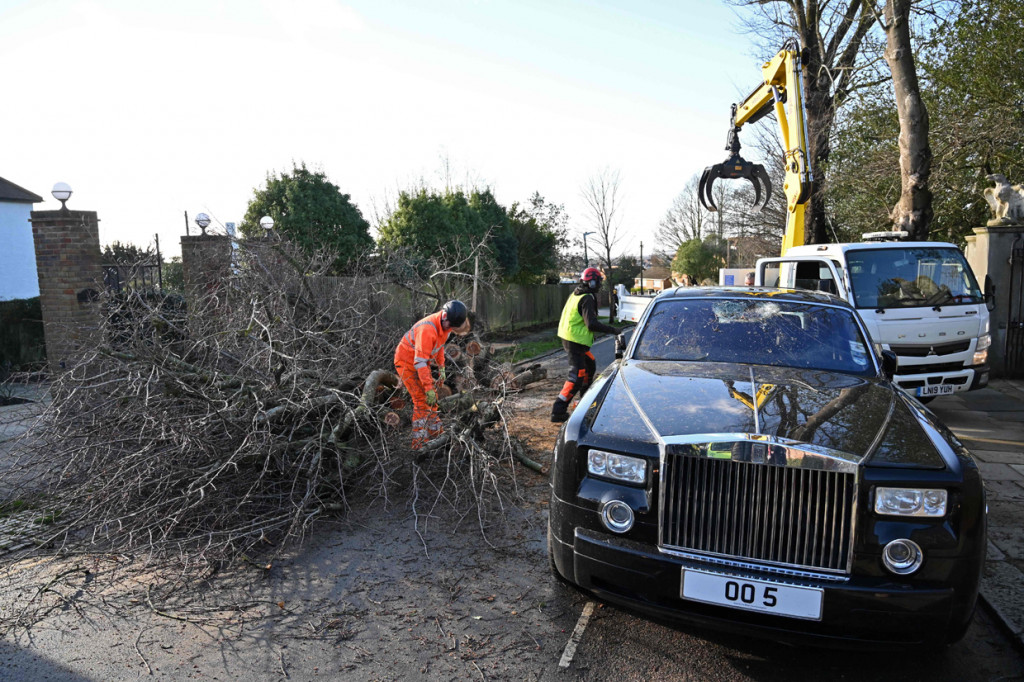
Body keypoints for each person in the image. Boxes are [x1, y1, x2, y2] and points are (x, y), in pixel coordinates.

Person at [394, 299, 471, 449]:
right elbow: (420, 362)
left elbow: (439, 346)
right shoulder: (427, 329)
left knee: (432, 399)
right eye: (450, 325)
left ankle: (436, 436)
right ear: (444, 316)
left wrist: (441, 366)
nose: (450, 328)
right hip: (406, 363)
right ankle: (419, 444)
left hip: (420, 361)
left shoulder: (446, 327)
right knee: (421, 400)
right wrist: (428, 387)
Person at [551, 268, 620, 423]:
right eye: (598, 282)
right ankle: (558, 410)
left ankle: (584, 402)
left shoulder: (576, 293)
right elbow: (591, 324)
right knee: (577, 376)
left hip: (573, 339)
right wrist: (613, 330)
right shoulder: (587, 297)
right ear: (592, 282)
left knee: (589, 365)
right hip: (574, 341)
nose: (600, 285)